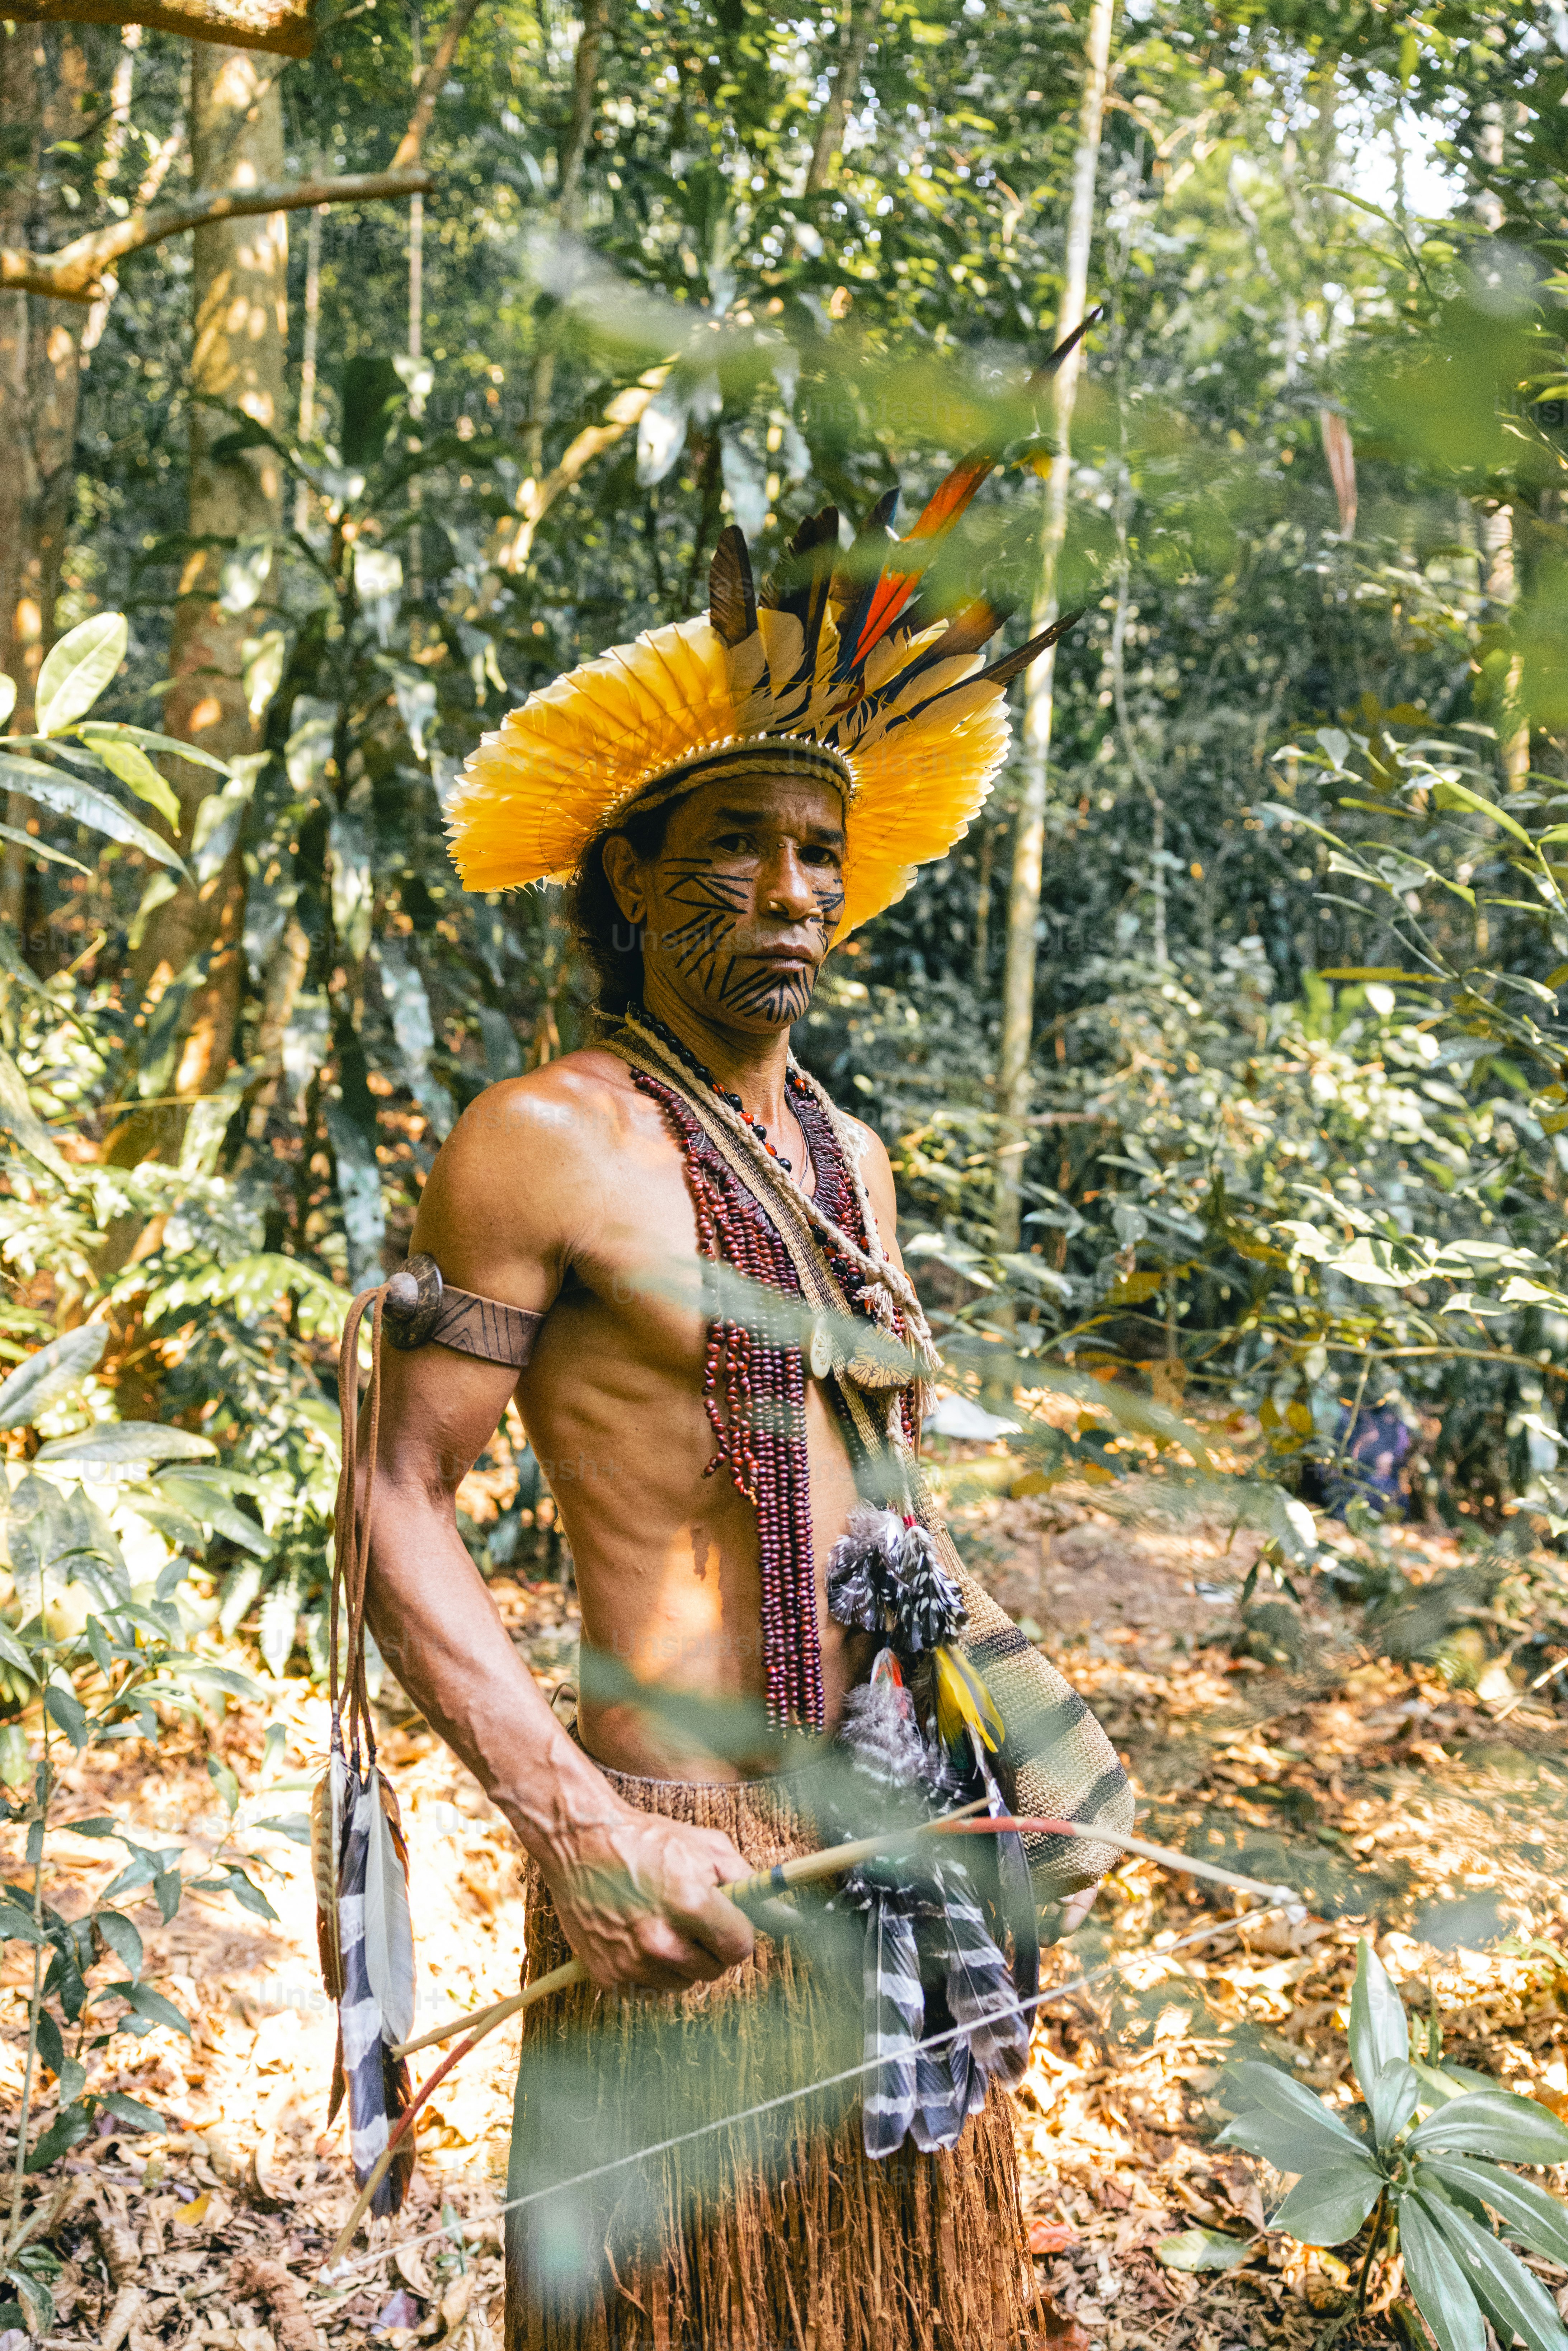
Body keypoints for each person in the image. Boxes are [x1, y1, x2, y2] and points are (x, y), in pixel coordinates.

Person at [362, 490, 1132, 2351]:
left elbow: (884, 1504)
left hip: (889, 1830)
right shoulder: (536, 1144)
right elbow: (392, 1498)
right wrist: (574, 1828)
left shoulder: (849, 1155)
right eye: (737, 846)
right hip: (687, 1862)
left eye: (821, 852)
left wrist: (1027, 1731)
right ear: (626, 876)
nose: (795, 891)